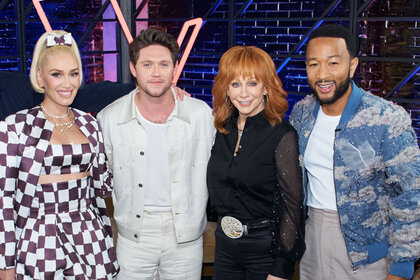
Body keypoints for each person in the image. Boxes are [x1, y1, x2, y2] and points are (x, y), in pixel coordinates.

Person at [290, 24, 420, 280]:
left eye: (333, 63)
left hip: (366, 251)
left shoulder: (387, 118)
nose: (322, 74)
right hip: (311, 240)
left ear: (352, 65)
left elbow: (409, 196)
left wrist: (403, 266)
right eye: (313, 64)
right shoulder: (301, 114)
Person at [97, 27, 215, 280]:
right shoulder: (109, 119)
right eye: (147, 64)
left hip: (186, 234)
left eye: (164, 64)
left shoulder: (200, 115)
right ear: (133, 68)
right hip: (133, 236)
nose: (156, 73)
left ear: (174, 67)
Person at [0, 30, 119, 279]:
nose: (68, 83)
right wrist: (6, 263)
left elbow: (103, 187)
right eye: (57, 74)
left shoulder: (89, 123)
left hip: (89, 237)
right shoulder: (16, 126)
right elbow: (4, 203)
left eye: (73, 74)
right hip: (38, 238)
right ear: (40, 78)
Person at [207, 46, 305, 280]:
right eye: (235, 84)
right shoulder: (222, 129)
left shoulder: (281, 134)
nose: (243, 94)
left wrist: (282, 266)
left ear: (266, 87)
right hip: (224, 247)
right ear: (226, 89)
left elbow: (293, 205)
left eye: (252, 83)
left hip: (264, 251)